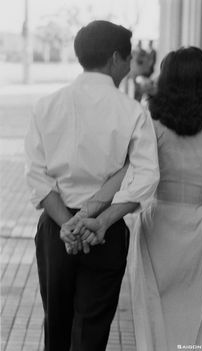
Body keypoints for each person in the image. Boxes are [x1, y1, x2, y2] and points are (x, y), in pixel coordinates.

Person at [73, 47, 202, 350]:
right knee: (195, 324)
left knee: (152, 322)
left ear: (166, 83)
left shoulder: (153, 128)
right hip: (200, 236)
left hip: (156, 230)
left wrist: (91, 210)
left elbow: (128, 176)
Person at [24, 20, 159, 351]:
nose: (129, 66)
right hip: (106, 231)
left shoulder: (46, 106)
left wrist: (68, 224)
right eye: (128, 59)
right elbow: (146, 175)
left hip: (57, 230)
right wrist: (100, 222)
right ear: (115, 58)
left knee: (55, 321)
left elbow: (36, 175)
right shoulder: (132, 112)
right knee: (92, 328)